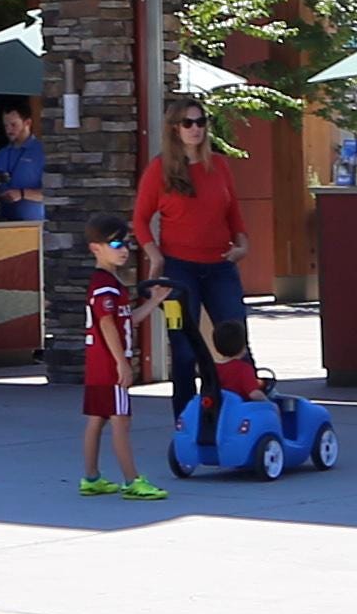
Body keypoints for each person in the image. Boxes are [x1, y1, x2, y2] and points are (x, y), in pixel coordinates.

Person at [126, 98, 249, 417]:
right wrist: (154, 256)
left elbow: (234, 213)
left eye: (201, 122)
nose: (196, 129)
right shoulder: (159, 169)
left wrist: (242, 245)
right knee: (182, 346)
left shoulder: (219, 165)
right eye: (188, 123)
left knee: (235, 338)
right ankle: (186, 420)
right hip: (179, 269)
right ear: (174, 129)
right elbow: (140, 219)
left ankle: (244, 410)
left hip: (220, 265)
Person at [75, 222, 162, 500]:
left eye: (126, 244)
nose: (123, 250)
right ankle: (132, 480)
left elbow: (127, 320)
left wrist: (154, 302)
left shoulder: (111, 284)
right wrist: (121, 363)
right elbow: (107, 324)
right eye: (115, 244)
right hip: (110, 366)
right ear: (95, 249)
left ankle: (91, 478)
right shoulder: (105, 286)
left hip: (97, 366)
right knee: (121, 421)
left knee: (97, 419)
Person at [0, 102, 49, 224]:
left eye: (13, 125)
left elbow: (53, 194)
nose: (9, 130)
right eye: (6, 126)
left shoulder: (43, 152)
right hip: (2, 223)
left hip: (33, 224)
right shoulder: (0, 155)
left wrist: (22, 194)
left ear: (27, 123)